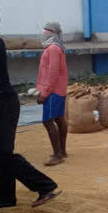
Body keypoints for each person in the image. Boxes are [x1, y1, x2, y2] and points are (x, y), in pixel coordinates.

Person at [0, 5, 61, 209]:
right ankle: (6, 200)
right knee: (1, 155)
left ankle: (45, 186)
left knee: (3, 155)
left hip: (2, 105)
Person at [37, 22, 68, 167]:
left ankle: (57, 155)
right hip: (57, 89)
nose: (44, 33)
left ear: (53, 33)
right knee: (59, 119)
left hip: (53, 91)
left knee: (48, 121)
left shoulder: (54, 49)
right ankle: (62, 151)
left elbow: (53, 73)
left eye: (46, 31)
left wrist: (45, 92)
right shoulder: (55, 47)